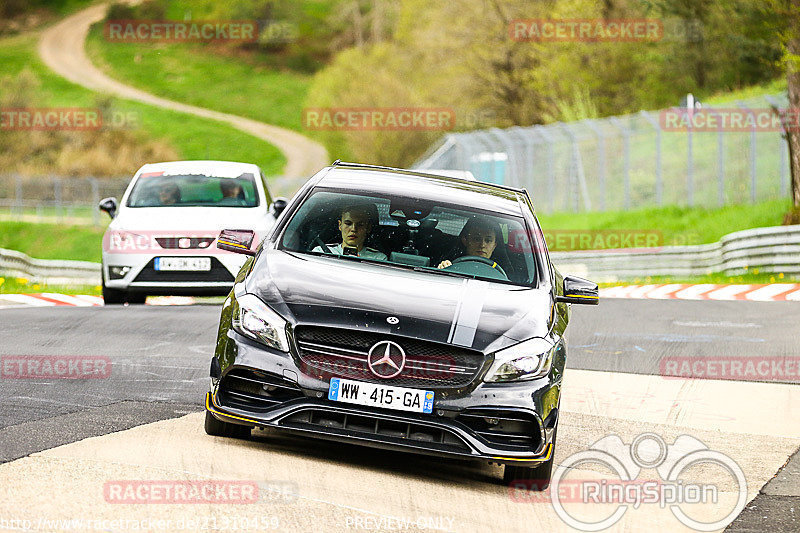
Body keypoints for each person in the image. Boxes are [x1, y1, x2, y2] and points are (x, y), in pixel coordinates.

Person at [312, 203, 387, 260]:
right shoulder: (321, 252)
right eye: (348, 224)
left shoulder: (378, 259)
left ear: (368, 228)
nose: (354, 229)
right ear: (340, 225)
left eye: (360, 224)